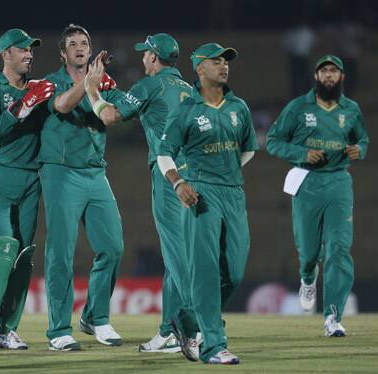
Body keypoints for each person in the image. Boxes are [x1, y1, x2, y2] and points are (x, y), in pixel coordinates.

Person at [83, 33, 200, 358]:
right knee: (181, 252)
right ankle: (168, 330)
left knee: (177, 254)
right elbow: (144, 105)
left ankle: (194, 326)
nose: (142, 58)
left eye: (145, 53)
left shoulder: (150, 85)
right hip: (196, 174)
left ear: (153, 57)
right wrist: (111, 88)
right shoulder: (187, 88)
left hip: (169, 175)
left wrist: (93, 90)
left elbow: (108, 116)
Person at [157, 43, 258, 364]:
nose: (224, 66)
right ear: (199, 69)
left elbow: (248, 149)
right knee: (205, 270)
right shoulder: (185, 110)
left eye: (226, 61)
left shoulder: (239, 107)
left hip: (233, 193)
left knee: (236, 271)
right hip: (200, 193)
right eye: (216, 62)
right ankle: (214, 345)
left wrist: (226, 171)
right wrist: (179, 182)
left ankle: (187, 318)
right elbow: (164, 154)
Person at [267, 55, 368, 337]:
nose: (328, 75)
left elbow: (362, 139)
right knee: (309, 252)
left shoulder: (351, 109)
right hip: (307, 182)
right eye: (324, 71)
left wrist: (360, 149)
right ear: (316, 77)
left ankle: (333, 317)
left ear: (342, 77)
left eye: (334, 71)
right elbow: (273, 141)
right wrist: (301, 153)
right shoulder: (298, 107)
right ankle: (307, 277)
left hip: (338, 182)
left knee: (339, 247)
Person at [39, 24, 124, 351]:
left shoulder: (104, 84)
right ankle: (59, 330)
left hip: (94, 172)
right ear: (63, 53)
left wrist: (94, 88)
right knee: (60, 253)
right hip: (60, 172)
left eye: (84, 43)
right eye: (72, 44)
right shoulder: (49, 82)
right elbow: (61, 105)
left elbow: (111, 117)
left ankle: (95, 317)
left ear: (90, 50)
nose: (79, 47)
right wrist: (87, 84)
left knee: (113, 246)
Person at [0, 28, 54, 350]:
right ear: (6, 54)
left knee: (24, 255)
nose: (29, 55)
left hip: (30, 178)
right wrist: (21, 107)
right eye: (22, 50)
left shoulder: (38, 89)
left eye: (31, 50)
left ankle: (8, 328)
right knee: (2, 247)